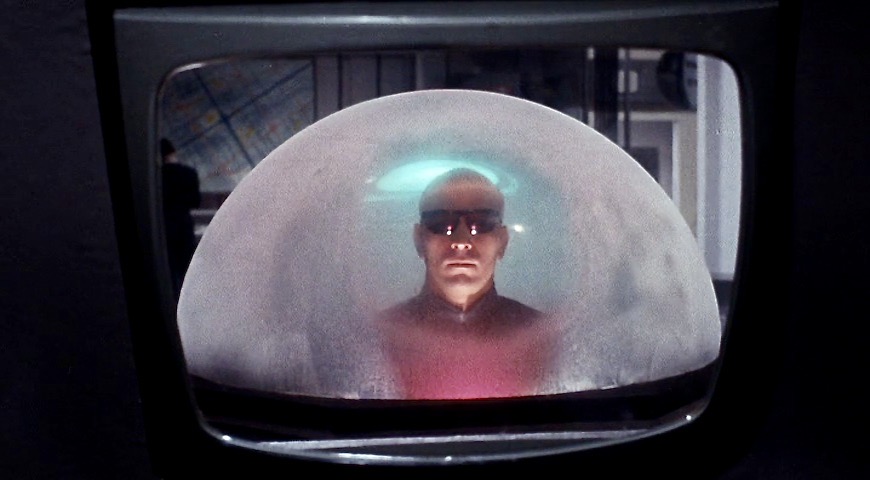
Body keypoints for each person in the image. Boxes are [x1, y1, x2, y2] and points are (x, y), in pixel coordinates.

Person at [376, 168, 556, 400]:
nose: (461, 242)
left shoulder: (544, 341)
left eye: (481, 223)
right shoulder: (377, 341)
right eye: (441, 223)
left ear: (502, 242)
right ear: (419, 240)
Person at [160, 138, 201, 299]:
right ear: (174, 152)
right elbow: (195, 202)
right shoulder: (189, 173)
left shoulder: (158, 177)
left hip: (166, 227)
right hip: (184, 226)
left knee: (170, 271)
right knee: (187, 269)